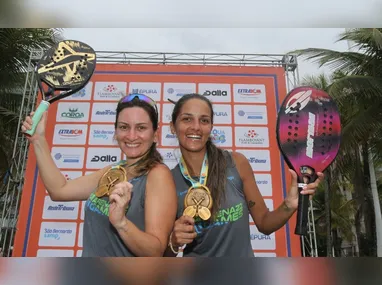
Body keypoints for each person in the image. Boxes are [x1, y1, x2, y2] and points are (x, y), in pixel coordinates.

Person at [164, 93, 324, 257]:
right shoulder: (168, 181)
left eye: (204, 120)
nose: (196, 127)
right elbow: (163, 257)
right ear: (172, 126)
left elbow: (264, 223)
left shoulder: (236, 163)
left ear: (211, 127)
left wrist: (289, 204)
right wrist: (174, 242)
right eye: (187, 119)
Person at [21, 93, 177, 257]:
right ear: (116, 132)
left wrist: (121, 223)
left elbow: (155, 250)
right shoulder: (115, 170)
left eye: (141, 128)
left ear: (155, 135)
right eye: (124, 127)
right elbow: (60, 190)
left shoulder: (158, 175)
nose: (131, 136)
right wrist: (38, 139)